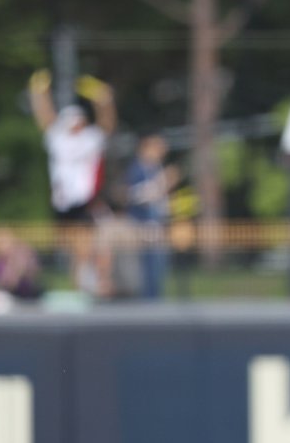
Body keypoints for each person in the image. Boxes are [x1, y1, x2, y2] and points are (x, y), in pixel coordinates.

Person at [29, 70, 117, 296]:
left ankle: (96, 287)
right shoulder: (58, 138)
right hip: (65, 202)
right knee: (78, 251)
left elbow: (107, 123)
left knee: (94, 248)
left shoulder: (90, 139)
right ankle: (82, 289)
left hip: (86, 200)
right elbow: (46, 117)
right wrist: (39, 93)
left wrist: (102, 99)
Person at [126, 134, 179, 300]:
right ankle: (148, 304)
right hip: (143, 227)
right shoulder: (137, 169)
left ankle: (155, 301)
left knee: (158, 270)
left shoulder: (156, 169)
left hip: (158, 226)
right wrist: (163, 182)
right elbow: (134, 195)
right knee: (147, 270)